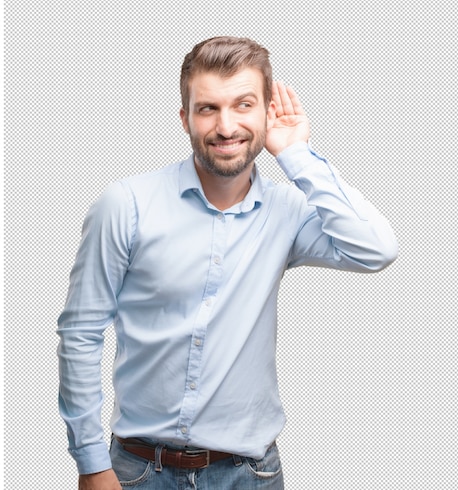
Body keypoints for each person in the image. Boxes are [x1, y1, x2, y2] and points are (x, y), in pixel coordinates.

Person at [57, 36, 398, 489]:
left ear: (266, 113)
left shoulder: (288, 211)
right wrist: (90, 462)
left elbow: (376, 248)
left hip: (248, 475)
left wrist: (295, 154)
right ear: (185, 118)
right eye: (208, 108)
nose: (226, 126)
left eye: (243, 105)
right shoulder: (126, 204)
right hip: (137, 473)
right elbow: (80, 333)